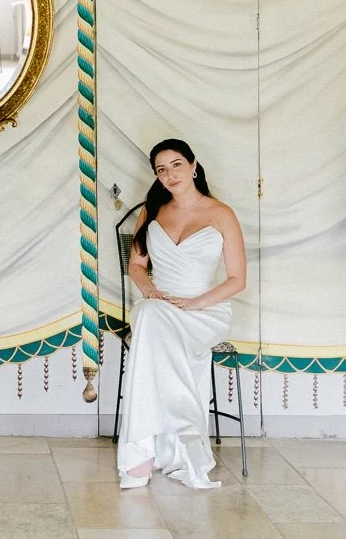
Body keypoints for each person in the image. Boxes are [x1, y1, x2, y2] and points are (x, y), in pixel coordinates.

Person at [117, 138, 247, 490]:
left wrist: (195, 303)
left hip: (205, 310)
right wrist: (150, 291)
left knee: (148, 323)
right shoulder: (152, 210)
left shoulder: (221, 213)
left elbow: (237, 280)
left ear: (193, 165)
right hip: (160, 303)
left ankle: (139, 456)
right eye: (161, 170)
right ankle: (185, 451)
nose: (170, 174)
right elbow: (138, 266)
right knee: (149, 315)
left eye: (176, 165)